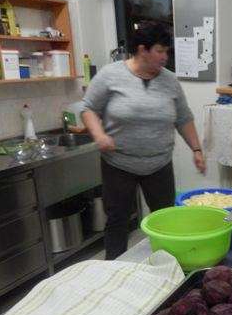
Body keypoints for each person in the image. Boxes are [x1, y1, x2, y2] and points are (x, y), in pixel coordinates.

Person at [82, 22, 206, 260]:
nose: (165, 57)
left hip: (159, 164)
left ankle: (168, 265)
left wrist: (197, 149)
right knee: (117, 220)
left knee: (166, 219)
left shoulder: (170, 81)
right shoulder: (110, 74)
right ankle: (115, 269)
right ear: (142, 50)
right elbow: (88, 109)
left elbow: (183, 118)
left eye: (167, 51)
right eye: (160, 51)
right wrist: (99, 135)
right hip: (118, 164)